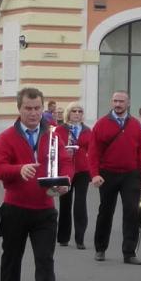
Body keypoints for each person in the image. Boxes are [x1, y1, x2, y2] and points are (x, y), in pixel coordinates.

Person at [0, 86, 70, 281]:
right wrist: (18, 170)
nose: (33, 113)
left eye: (37, 108)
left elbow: (65, 161)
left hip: (45, 209)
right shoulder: (6, 138)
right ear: (19, 109)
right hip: (16, 208)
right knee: (12, 260)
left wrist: (66, 181)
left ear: (43, 109)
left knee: (45, 261)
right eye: (28, 108)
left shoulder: (53, 135)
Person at [89, 88, 141, 264]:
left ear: (128, 103)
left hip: (131, 175)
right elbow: (93, 152)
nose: (118, 104)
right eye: (115, 101)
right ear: (111, 102)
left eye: (121, 101)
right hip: (108, 174)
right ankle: (100, 248)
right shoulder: (101, 124)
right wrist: (94, 174)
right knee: (106, 211)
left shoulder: (136, 125)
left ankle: (129, 252)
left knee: (132, 212)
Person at [56, 105, 92, 247]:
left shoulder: (87, 130)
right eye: (74, 111)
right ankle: (63, 237)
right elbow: (54, 148)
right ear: (68, 113)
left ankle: (80, 238)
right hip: (65, 170)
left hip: (83, 170)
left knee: (80, 203)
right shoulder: (60, 130)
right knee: (65, 202)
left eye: (80, 111)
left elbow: (92, 149)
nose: (77, 114)